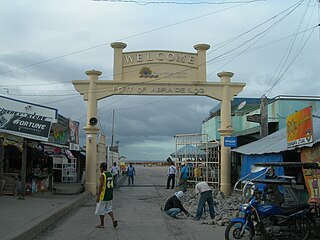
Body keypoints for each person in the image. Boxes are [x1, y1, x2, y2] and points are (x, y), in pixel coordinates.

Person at [95, 162, 118, 229]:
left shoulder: (102, 175)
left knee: (101, 210)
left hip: (103, 195)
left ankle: (102, 224)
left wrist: (98, 196)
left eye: (100, 168)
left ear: (101, 168)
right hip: (110, 195)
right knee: (109, 208)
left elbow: (101, 186)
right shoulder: (110, 174)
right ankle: (114, 219)